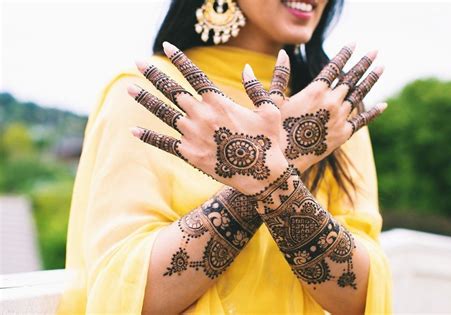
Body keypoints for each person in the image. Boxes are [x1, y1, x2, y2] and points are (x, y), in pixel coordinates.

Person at [58, 0, 392, 314]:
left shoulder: (332, 110)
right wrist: (272, 164)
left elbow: (358, 299)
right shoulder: (150, 93)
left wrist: (270, 169)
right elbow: (128, 292)